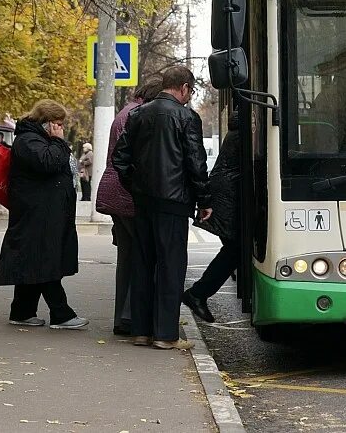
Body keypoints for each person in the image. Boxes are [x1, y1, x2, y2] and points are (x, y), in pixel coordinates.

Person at [113, 66, 211, 350]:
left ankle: (141, 332)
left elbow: (120, 159)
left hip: (143, 202)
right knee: (170, 267)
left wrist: (136, 185)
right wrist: (204, 200)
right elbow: (196, 162)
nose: (189, 97)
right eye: (190, 92)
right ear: (183, 88)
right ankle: (166, 335)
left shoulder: (138, 114)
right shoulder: (186, 117)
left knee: (143, 264)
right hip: (175, 203)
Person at [0, 100, 88, 330]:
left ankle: (22, 311)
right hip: (37, 212)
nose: (60, 128)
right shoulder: (28, 141)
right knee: (45, 261)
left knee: (34, 259)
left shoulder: (34, 139)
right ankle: (61, 313)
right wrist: (57, 141)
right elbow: (48, 163)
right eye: (57, 124)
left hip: (41, 211)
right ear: (46, 122)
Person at [95, 75, 164, 336]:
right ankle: (132, 317)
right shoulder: (139, 115)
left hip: (116, 193)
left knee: (127, 257)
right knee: (142, 256)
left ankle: (122, 319)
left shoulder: (126, 111)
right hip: (128, 195)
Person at [182, 115, 241, 324]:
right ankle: (197, 294)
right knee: (235, 251)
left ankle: (199, 294)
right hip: (227, 197)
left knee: (234, 250)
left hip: (225, 194)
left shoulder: (235, 133)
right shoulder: (242, 136)